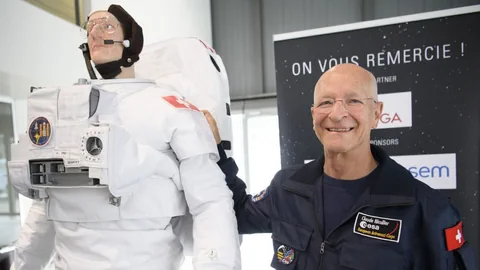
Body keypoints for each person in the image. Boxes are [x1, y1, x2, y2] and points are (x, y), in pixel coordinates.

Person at [7, 4, 241, 270]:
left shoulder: (170, 110)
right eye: (90, 27)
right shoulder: (63, 112)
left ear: (131, 42)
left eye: (106, 26)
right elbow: (46, 202)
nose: (95, 34)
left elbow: (210, 202)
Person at [207, 63, 478, 269]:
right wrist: (216, 151)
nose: (337, 113)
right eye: (326, 102)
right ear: (314, 115)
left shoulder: (425, 209)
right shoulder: (288, 189)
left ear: (377, 113)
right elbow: (236, 215)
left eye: (354, 101)